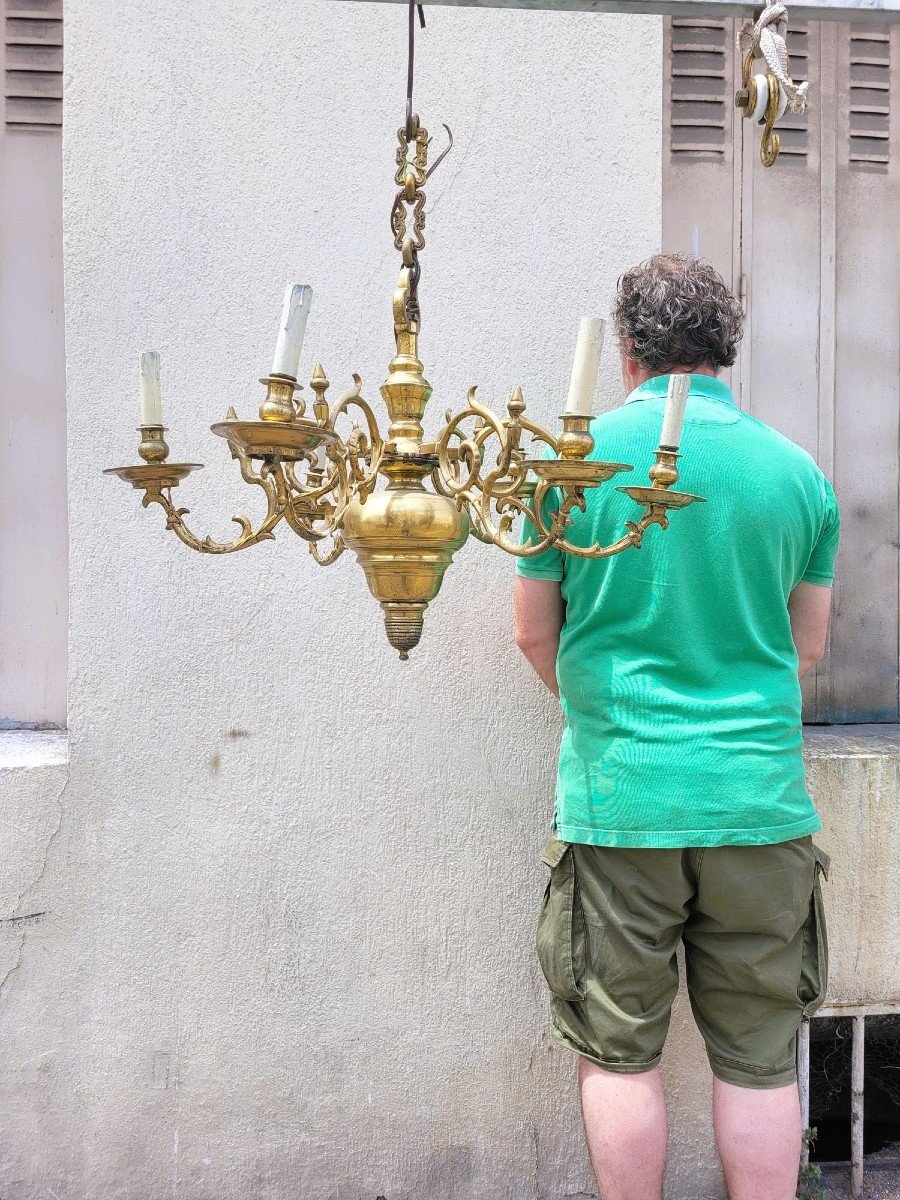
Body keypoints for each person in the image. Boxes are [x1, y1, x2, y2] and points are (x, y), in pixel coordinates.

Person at [514, 254, 840, 1200]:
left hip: (623, 806)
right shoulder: (797, 476)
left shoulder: (565, 467)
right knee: (760, 1059)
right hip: (759, 807)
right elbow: (804, 650)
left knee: (619, 1054)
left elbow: (535, 633)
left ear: (626, 352)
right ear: (724, 349)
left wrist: (613, 721)